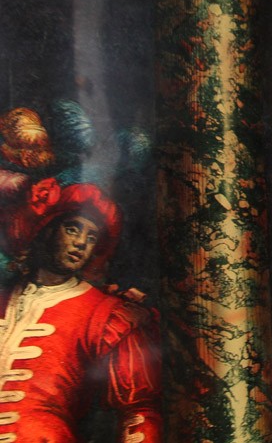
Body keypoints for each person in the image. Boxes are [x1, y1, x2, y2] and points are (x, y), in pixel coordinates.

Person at [0, 178, 161, 442]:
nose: (81, 243)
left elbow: (139, 411)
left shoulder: (107, 313)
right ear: (46, 230)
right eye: (72, 229)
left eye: (91, 237)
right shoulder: (4, 297)